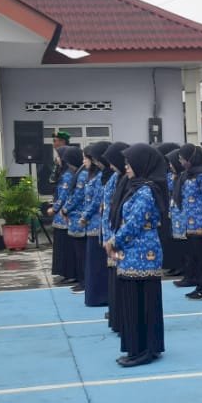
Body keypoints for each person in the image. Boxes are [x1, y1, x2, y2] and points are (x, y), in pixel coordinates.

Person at [108, 143, 170, 368]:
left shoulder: (146, 191)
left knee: (141, 302)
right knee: (135, 301)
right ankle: (141, 347)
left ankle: (143, 349)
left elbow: (134, 222)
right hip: (133, 253)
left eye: (129, 163)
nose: (126, 167)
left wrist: (114, 241)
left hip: (143, 254)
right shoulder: (137, 187)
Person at [176, 143, 202, 300]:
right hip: (189, 223)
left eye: (182, 158)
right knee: (195, 256)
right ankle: (199, 285)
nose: (181, 161)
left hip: (200, 224)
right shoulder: (188, 174)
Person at [79, 141, 113, 305]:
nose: (86, 162)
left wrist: (85, 215)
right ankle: (94, 295)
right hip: (92, 224)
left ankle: (101, 296)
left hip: (98, 223)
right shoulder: (94, 175)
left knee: (99, 263)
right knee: (93, 262)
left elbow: (97, 201)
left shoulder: (102, 177)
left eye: (88, 158)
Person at [102, 142, 130, 331]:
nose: (110, 166)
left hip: (119, 238)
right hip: (112, 233)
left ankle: (120, 316)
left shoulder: (127, 181)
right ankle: (116, 314)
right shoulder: (117, 177)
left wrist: (114, 239)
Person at [49, 146, 80, 285]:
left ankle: (70, 273)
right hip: (62, 216)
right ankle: (66, 273)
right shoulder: (63, 172)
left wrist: (55, 209)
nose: (56, 159)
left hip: (64, 216)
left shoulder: (68, 175)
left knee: (66, 247)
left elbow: (63, 195)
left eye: (58, 156)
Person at [60, 146, 88, 290]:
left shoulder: (82, 175)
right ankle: (82, 280)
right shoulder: (78, 173)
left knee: (82, 253)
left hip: (79, 219)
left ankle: (84, 281)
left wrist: (65, 209)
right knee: (79, 253)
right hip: (75, 220)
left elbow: (77, 196)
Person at [156, 143, 186, 278]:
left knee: (181, 244)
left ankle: (182, 267)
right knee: (172, 241)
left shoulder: (181, 176)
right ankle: (175, 266)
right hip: (172, 213)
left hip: (181, 216)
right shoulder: (170, 174)